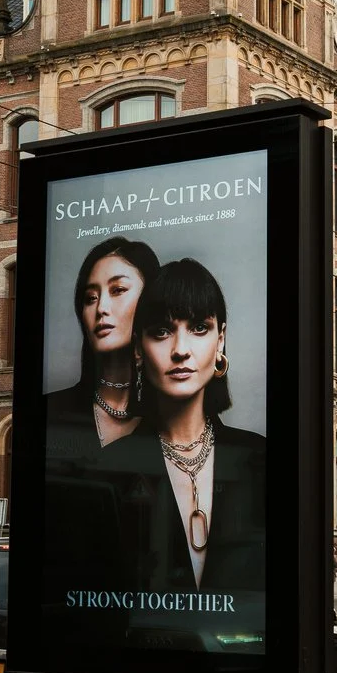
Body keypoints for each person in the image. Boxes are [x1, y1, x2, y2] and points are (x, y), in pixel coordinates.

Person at [101, 257, 266, 617]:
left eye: (199, 328)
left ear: (221, 339)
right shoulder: (110, 465)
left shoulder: (260, 459)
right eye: (161, 331)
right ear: (137, 350)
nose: (180, 349)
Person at [43, 236, 163, 472]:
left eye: (118, 290)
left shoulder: (179, 417)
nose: (101, 309)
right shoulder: (51, 411)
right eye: (91, 298)